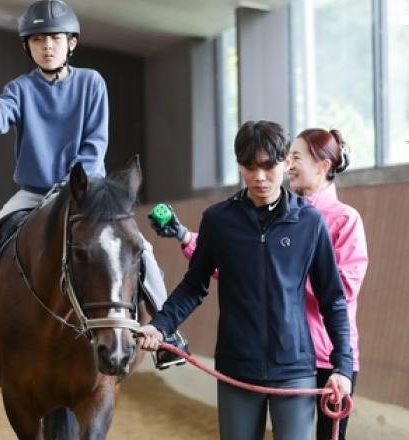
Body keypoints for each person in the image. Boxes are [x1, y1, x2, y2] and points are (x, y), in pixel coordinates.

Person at [0, 0, 186, 371]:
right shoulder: (21, 88)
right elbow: (3, 118)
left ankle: (167, 333)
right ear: (28, 46)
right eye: (37, 40)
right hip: (34, 193)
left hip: (86, 192)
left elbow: (95, 143)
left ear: (71, 43)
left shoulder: (92, 83)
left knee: (142, 247)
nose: (47, 46)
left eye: (55, 38)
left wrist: (75, 184)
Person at [137, 120, 354, 440]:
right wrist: (160, 325)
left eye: (268, 166)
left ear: (286, 162)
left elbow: (332, 298)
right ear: (239, 165)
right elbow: (194, 286)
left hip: (294, 371)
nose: (259, 177)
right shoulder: (218, 221)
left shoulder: (310, 222)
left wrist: (342, 367)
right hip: (237, 369)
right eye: (250, 167)